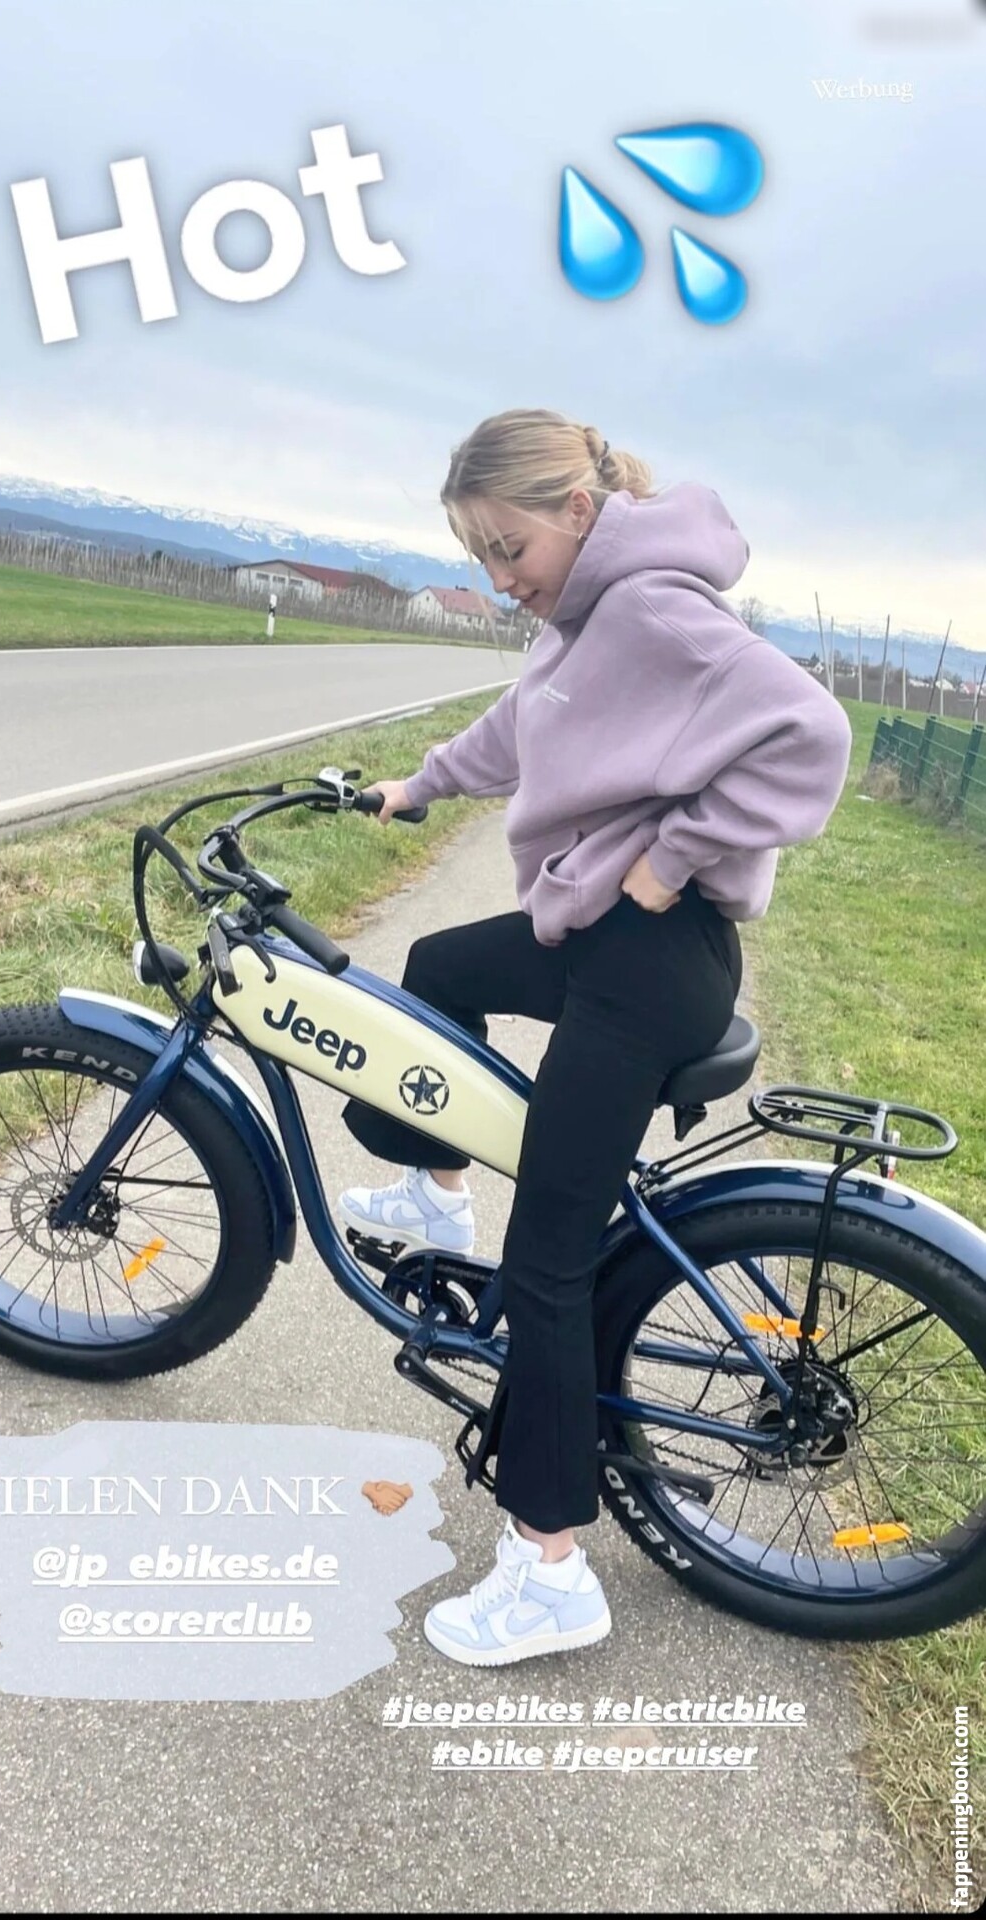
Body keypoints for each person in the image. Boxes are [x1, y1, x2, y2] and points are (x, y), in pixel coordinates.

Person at [336, 408, 853, 1668]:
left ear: (578, 510)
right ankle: (436, 1191)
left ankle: (550, 1570)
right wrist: (417, 786)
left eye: (507, 549)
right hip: (607, 940)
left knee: (551, 1266)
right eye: (478, 557)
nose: (498, 578)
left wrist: (673, 863)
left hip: (647, 959)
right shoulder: (581, 618)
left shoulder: (651, 607)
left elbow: (811, 734)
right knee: (438, 968)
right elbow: (522, 730)